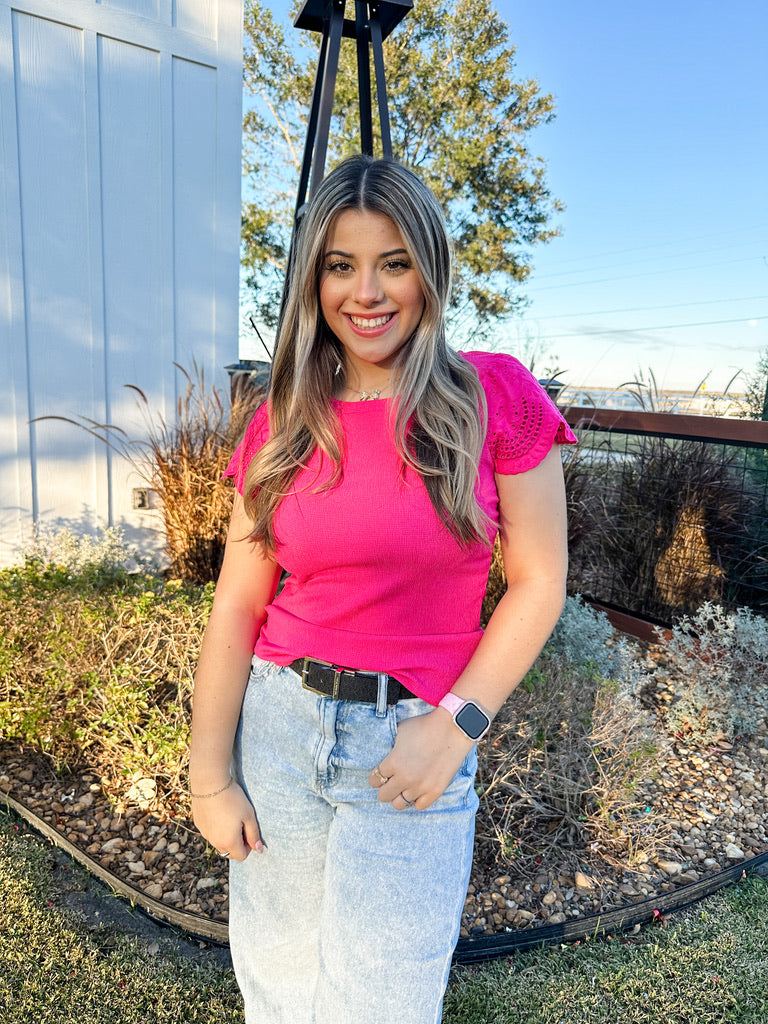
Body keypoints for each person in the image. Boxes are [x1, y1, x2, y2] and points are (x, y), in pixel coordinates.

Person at [188, 155, 576, 1024]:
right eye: (340, 264)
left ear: (429, 269)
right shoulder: (283, 418)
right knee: (278, 990)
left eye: (393, 261)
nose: (367, 292)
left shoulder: (492, 397)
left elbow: (541, 581)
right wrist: (209, 777)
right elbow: (237, 607)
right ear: (313, 279)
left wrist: (457, 726)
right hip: (281, 728)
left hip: (414, 747)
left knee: (382, 1005)